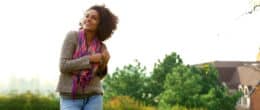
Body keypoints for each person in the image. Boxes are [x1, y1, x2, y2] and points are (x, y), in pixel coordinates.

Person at [56, 5, 118, 110]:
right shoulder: (72, 36)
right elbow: (63, 66)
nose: (88, 19)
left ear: (101, 24)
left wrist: (104, 63)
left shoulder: (102, 47)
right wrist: (89, 59)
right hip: (70, 96)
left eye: (94, 18)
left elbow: (99, 76)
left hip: (94, 97)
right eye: (87, 16)